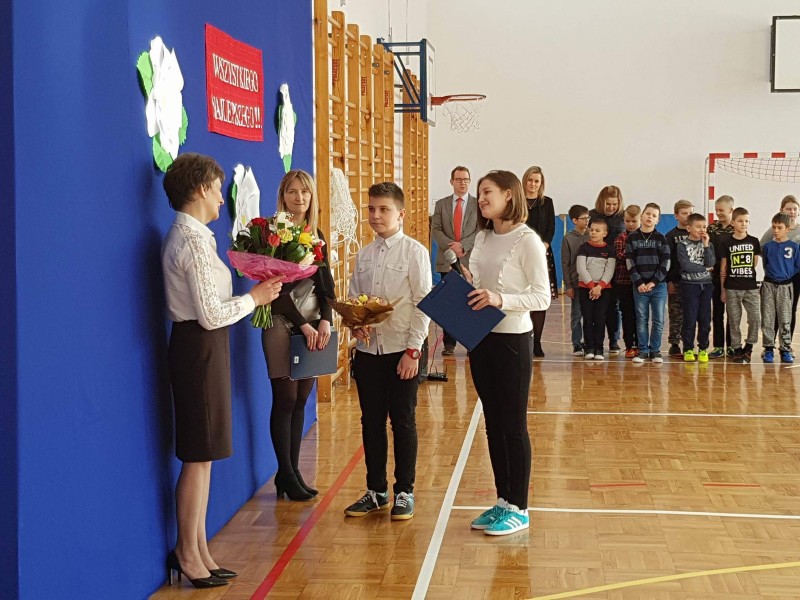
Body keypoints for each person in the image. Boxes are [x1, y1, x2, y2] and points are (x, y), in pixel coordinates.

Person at [161, 153, 282, 588]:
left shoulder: (197, 236)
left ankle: (198, 549)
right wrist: (256, 298)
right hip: (198, 347)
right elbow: (211, 315)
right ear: (199, 189)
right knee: (198, 455)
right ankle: (187, 553)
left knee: (205, 454)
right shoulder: (191, 240)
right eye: (215, 189)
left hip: (203, 347)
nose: (219, 198)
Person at [462, 170, 551, 536]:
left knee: (513, 425)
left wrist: (500, 299)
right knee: (493, 422)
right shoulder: (482, 237)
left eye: (488, 192)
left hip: (513, 340)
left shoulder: (528, 240)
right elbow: (480, 284)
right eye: (480, 193)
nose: (481, 198)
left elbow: (542, 296)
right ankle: (503, 500)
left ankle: (520, 507)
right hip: (480, 338)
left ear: (509, 195)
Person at [344, 182, 431, 520]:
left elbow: (424, 304)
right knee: (371, 422)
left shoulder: (414, 253)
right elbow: (355, 298)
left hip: (401, 351)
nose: (376, 215)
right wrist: (355, 325)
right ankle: (376, 490)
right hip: (369, 352)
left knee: (403, 421)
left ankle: (404, 491)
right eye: (371, 209)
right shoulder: (364, 255)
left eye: (383, 210)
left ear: (401, 214)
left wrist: (413, 351)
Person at [261, 170, 335, 501]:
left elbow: (326, 284)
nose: (299, 198)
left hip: (313, 324)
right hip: (281, 322)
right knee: (285, 399)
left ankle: (290, 472)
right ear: (283, 196)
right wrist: (302, 324)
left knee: (303, 397)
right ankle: (286, 473)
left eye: (305, 192)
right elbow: (274, 289)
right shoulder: (271, 235)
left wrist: (326, 320)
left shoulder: (315, 234)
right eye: (292, 191)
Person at [431, 166, 479, 356]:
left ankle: (470, 341)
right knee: (449, 304)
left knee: (472, 303)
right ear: (452, 182)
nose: (463, 183)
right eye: (459, 179)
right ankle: (449, 343)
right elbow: (436, 230)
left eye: (466, 179)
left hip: (470, 260)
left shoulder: (477, 204)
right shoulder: (441, 204)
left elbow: (480, 231)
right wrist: (451, 247)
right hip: (447, 259)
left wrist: (463, 246)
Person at [626, 203, 671, 364]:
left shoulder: (661, 238)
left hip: (658, 287)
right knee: (641, 319)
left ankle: (655, 351)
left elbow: (666, 263)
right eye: (647, 213)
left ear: (657, 220)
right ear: (642, 215)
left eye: (654, 215)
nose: (650, 217)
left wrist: (654, 282)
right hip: (639, 287)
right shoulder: (632, 237)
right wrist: (638, 282)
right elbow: (629, 262)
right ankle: (643, 350)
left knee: (658, 320)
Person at [523, 165, 558, 357]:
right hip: (520, 255)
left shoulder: (547, 202)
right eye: (530, 180)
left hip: (542, 254)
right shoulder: (516, 201)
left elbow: (551, 228)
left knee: (539, 298)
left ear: (541, 183)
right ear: (524, 181)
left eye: (536, 181)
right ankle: (523, 341)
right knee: (522, 296)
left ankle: (537, 342)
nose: (533, 184)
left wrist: (542, 246)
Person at [720, 207, 761, 364]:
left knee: (755, 318)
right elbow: (723, 268)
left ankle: (749, 347)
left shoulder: (754, 241)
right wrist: (723, 289)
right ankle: (736, 348)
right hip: (732, 287)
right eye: (740, 221)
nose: (744, 224)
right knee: (734, 320)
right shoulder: (726, 242)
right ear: (733, 222)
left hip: (751, 287)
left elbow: (754, 263)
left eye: (746, 221)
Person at [589, 185, 625, 354]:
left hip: (615, 267)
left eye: (614, 204)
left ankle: (614, 340)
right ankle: (594, 342)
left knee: (613, 306)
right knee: (595, 307)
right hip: (595, 266)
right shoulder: (592, 215)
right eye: (608, 204)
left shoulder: (622, 217)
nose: (611, 207)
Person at [760, 212, 800, 363]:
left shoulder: (794, 247)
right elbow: (766, 265)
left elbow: (797, 266)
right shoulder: (768, 247)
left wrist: (786, 274)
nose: (776, 230)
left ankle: (785, 349)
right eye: (774, 227)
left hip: (786, 286)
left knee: (785, 318)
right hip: (769, 285)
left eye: (779, 228)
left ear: (787, 229)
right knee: (768, 318)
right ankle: (768, 348)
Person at [677, 214, 715, 363]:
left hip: (706, 285)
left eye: (704, 227)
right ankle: (688, 349)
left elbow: (711, 262)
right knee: (690, 319)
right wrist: (705, 268)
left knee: (705, 319)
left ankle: (703, 348)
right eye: (698, 227)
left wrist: (706, 246)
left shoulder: (708, 244)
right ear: (689, 228)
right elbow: (686, 266)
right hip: (689, 285)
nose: (702, 230)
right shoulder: (682, 245)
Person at [577, 219, 616, 361]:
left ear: (605, 233)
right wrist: (591, 286)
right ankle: (589, 348)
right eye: (591, 230)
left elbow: (609, 270)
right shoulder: (583, 248)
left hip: (603, 290)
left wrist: (599, 287)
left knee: (600, 319)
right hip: (585, 289)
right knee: (588, 318)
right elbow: (581, 268)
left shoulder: (610, 250)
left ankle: (599, 348)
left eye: (597, 230)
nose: (593, 232)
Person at [665, 199, 695, 357]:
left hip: (693, 281)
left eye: (690, 213)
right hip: (676, 281)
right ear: (676, 215)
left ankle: (688, 342)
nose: (688, 216)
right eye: (684, 213)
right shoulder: (671, 236)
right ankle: (674, 343)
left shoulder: (696, 234)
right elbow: (668, 260)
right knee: (675, 313)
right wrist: (669, 281)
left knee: (690, 314)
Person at [707, 195, 735, 359]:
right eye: (716, 210)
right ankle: (718, 346)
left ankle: (731, 345)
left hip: (732, 276)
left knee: (732, 312)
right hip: (715, 276)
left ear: (731, 210)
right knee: (717, 312)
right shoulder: (712, 228)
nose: (718, 213)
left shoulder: (737, 228)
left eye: (721, 210)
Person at [561, 205, 590, 356]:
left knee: (590, 315)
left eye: (588, 218)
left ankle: (590, 343)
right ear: (574, 220)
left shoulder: (592, 235)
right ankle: (577, 344)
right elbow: (565, 263)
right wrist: (568, 285)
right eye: (583, 218)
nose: (587, 221)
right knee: (576, 315)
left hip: (591, 283)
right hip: (576, 283)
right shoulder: (568, 238)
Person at [614, 205, 641, 358]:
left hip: (641, 283)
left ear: (640, 220)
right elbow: (620, 255)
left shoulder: (644, 237)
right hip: (624, 281)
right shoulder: (621, 237)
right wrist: (636, 253)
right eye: (627, 221)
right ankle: (629, 345)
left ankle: (641, 344)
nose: (630, 224)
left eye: (634, 221)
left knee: (641, 315)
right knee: (627, 314)